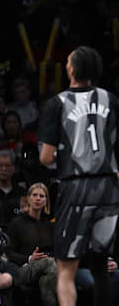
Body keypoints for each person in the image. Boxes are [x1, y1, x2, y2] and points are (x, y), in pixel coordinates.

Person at [38, 46, 119, 306]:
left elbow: (45, 158)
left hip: (75, 188)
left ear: (70, 69)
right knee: (101, 267)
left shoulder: (58, 103)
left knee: (66, 268)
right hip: (108, 188)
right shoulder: (111, 99)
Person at [6, 182, 58, 306]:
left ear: (46, 201)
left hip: (49, 267)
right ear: (28, 198)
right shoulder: (16, 223)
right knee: (51, 264)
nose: (38, 198)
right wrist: (29, 258)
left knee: (47, 279)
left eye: (42, 196)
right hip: (23, 267)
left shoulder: (49, 225)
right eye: (34, 195)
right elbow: (8, 253)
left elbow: (56, 248)